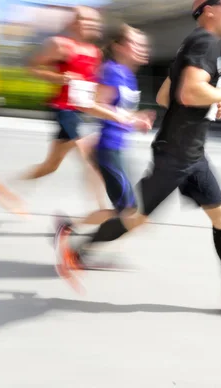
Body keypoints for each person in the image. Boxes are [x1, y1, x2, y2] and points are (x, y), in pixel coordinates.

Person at [55, 0, 221, 311]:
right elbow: (188, 93)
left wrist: (212, 103)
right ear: (210, 9)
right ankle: (75, 251)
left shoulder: (194, 44)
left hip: (193, 154)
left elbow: (166, 96)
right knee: (134, 218)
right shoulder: (205, 42)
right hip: (175, 155)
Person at [0, 6, 132, 216]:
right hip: (63, 110)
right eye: (85, 20)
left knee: (50, 166)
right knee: (91, 159)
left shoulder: (95, 53)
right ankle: (103, 213)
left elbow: (93, 87)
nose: (91, 24)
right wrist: (59, 78)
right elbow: (31, 67)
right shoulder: (60, 45)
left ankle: (7, 186)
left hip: (79, 110)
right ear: (73, 23)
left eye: (94, 21)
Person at [53, 25, 155, 272]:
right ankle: (77, 249)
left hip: (118, 149)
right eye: (136, 43)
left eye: (143, 44)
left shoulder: (127, 75)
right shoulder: (111, 71)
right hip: (109, 150)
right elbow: (89, 105)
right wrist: (123, 117)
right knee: (131, 215)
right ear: (120, 47)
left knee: (130, 214)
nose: (142, 48)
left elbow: (120, 113)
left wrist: (136, 119)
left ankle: (71, 233)